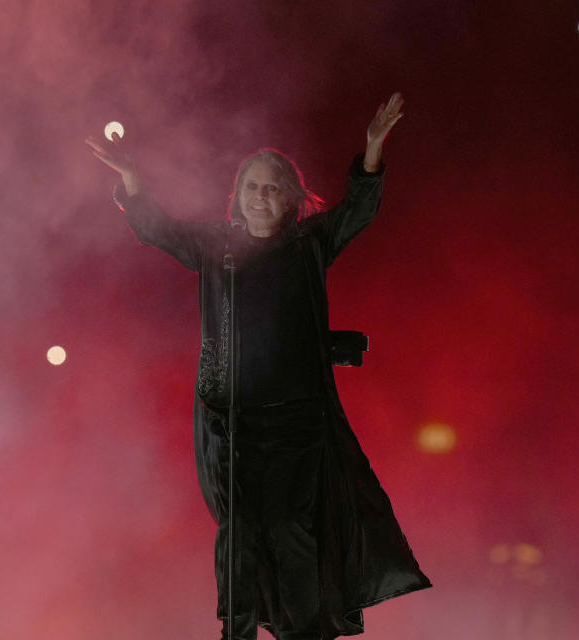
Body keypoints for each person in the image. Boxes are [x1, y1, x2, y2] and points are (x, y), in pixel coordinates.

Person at [86, 93, 430, 640]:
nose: (261, 196)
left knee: (290, 528)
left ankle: (304, 632)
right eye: (252, 187)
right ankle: (236, 632)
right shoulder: (214, 246)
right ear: (238, 197)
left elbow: (356, 211)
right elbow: (157, 228)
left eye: (272, 187)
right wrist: (132, 179)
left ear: (290, 198)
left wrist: (371, 151)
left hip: (296, 422)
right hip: (231, 420)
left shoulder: (309, 243)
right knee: (239, 531)